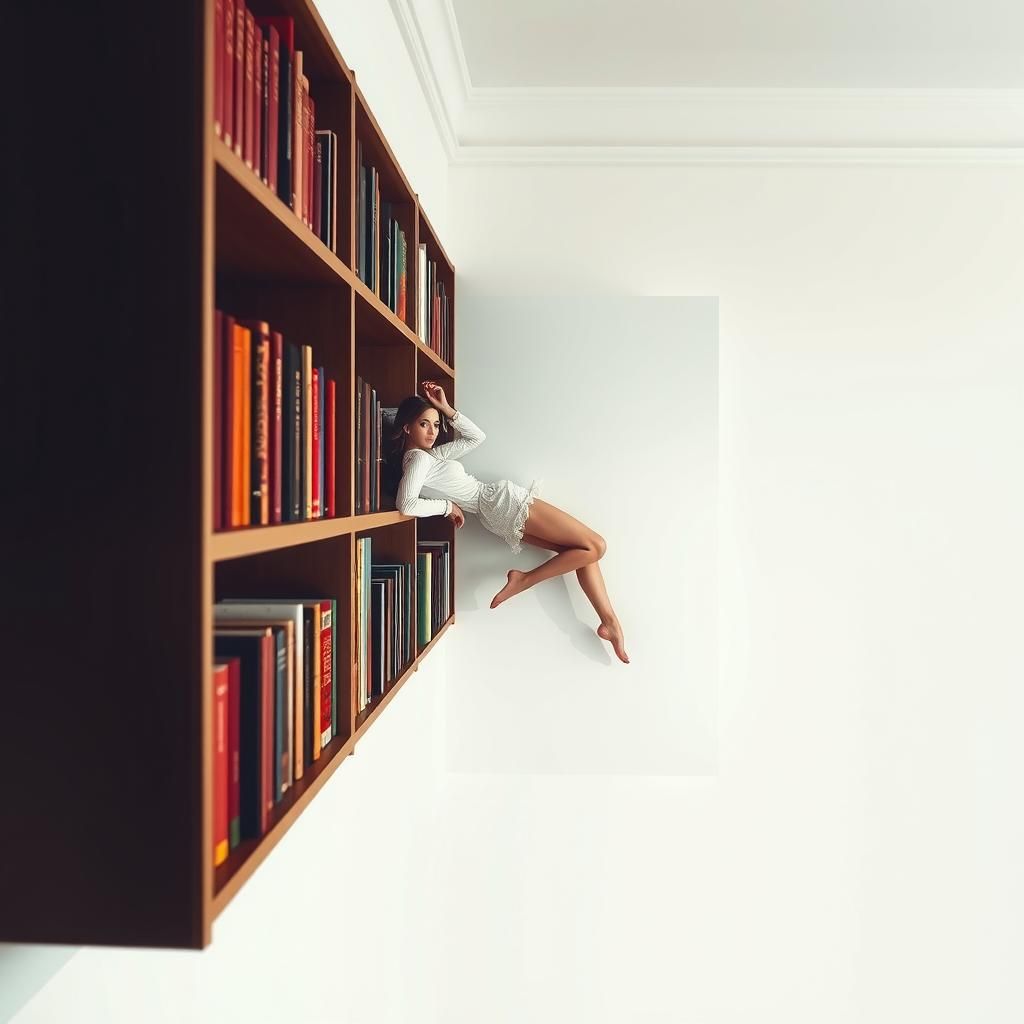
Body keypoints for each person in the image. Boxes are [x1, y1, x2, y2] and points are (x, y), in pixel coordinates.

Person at [385, 381, 629, 664]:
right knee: (596, 545)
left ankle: (609, 622)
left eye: (436, 425)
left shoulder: (430, 456)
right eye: (424, 424)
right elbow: (406, 504)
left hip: (494, 511)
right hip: (500, 502)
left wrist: (446, 408)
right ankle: (524, 580)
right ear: (406, 428)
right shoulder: (416, 460)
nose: (433, 431)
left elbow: (475, 438)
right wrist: (446, 506)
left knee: (581, 552)